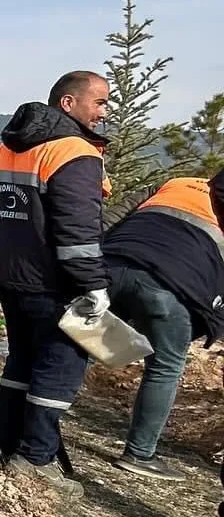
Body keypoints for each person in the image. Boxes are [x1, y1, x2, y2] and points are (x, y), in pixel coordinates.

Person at [0, 70, 110, 497]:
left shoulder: (6, 148)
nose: (104, 112)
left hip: (9, 275)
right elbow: (78, 228)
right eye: (99, 102)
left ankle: (2, 443)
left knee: (20, 361)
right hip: (52, 282)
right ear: (69, 104)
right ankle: (35, 458)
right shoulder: (73, 152)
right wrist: (94, 284)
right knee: (59, 367)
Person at [100, 171, 224, 481]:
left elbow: (115, 214)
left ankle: (34, 422)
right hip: (172, 285)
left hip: (114, 263)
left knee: (86, 342)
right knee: (165, 366)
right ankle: (140, 453)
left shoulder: (176, 182)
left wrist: (92, 254)